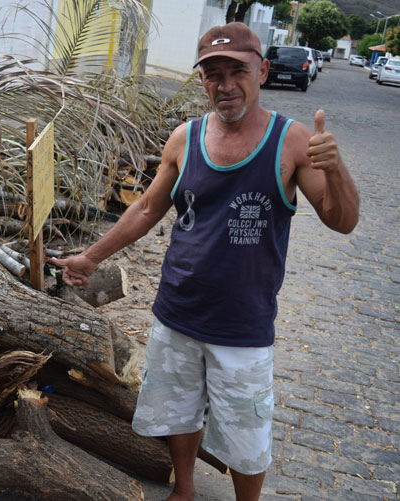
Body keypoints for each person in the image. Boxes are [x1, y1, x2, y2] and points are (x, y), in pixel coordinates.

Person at [50, 22, 359, 501]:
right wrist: (91, 257)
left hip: (244, 326)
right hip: (177, 312)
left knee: (246, 435)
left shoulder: (292, 141)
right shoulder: (184, 138)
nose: (225, 84)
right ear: (202, 81)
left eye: (236, 70)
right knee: (180, 411)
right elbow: (148, 208)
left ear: (263, 70)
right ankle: (186, 489)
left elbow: (343, 221)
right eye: (213, 73)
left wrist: (335, 169)